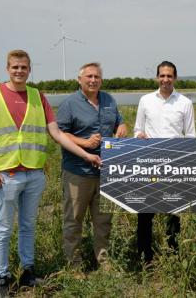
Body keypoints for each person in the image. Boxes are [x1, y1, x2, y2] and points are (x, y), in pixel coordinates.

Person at [0, 50, 101, 298]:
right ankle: (1, 277)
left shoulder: (37, 97)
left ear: (30, 70)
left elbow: (57, 133)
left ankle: (27, 271)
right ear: (7, 68)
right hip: (5, 174)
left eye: (24, 67)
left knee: (29, 225)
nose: (19, 71)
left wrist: (85, 154)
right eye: (15, 67)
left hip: (33, 173)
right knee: (3, 228)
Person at [57, 62, 127, 272]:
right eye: (88, 76)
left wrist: (121, 126)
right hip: (78, 172)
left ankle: (103, 262)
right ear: (80, 80)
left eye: (96, 77)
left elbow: (118, 122)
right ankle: (74, 266)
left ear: (101, 80)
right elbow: (60, 134)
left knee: (104, 220)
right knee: (73, 220)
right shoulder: (70, 103)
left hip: (106, 170)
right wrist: (84, 143)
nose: (93, 80)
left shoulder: (108, 100)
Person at [133, 60, 196, 264]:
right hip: (149, 161)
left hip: (174, 163)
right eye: (162, 75)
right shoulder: (145, 100)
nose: (165, 79)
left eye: (169, 76)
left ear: (175, 78)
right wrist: (139, 136)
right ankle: (145, 257)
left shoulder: (185, 103)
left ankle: (173, 255)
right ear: (157, 77)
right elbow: (137, 130)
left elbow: (191, 135)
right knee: (145, 213)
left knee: (174, 213)